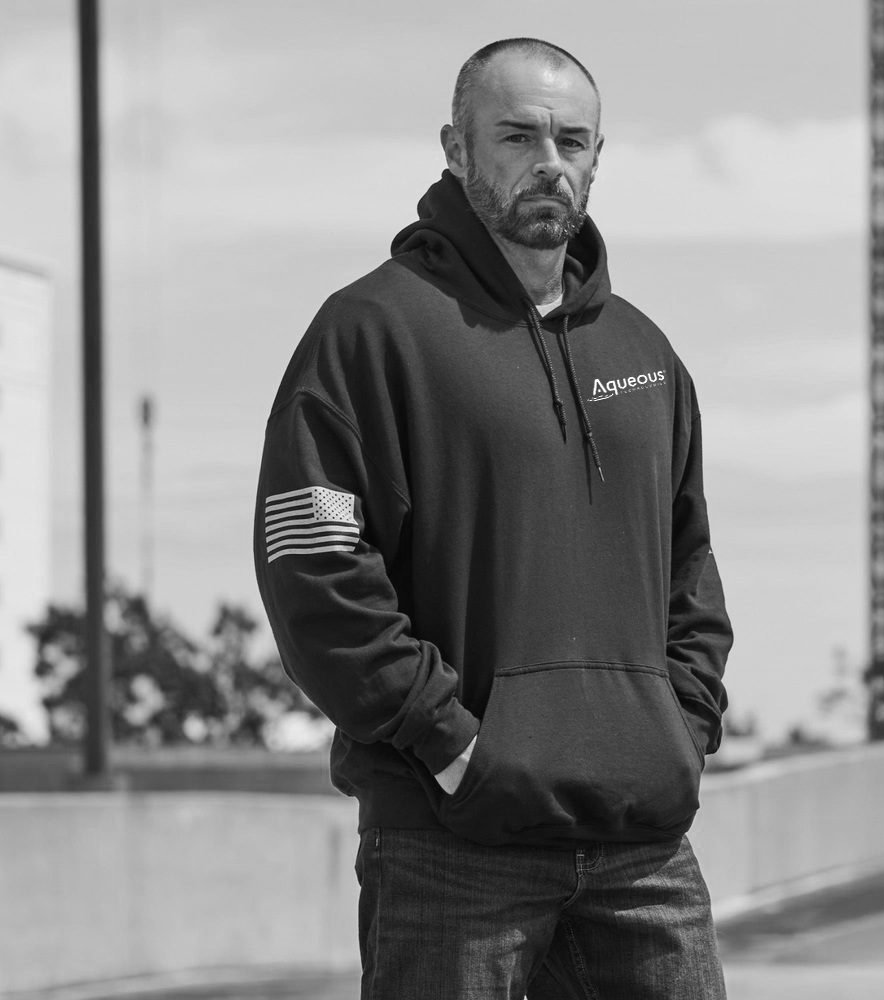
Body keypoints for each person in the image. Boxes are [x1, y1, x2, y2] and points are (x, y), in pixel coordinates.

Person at [254, 36, 733, 1000]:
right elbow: (316, 566)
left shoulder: (645, 353)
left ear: (597, 157)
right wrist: (449, 744)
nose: (549, 162)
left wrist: (680, 731)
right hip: (451, 846)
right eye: (517, 136)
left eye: (572, 141)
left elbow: (690, 570)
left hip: (641, 847)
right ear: (455, 147)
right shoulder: (372, 331)